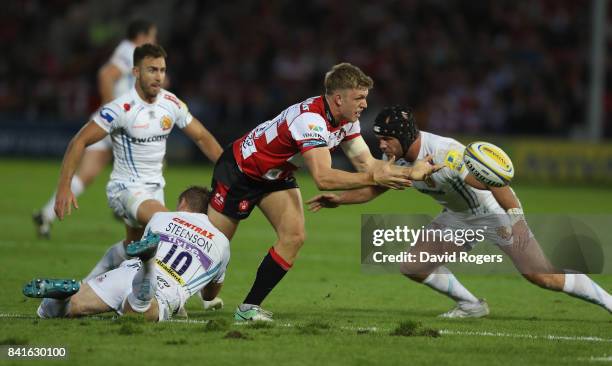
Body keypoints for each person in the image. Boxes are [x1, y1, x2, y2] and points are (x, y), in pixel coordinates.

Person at [307, 105, 612, 317]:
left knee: (543, 276)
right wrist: (339, 199)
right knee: (413, 266)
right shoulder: (399, 160)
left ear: (403, 135)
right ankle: (471, 305)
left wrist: (516, 220)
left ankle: (609, 302)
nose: (382, 146)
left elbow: (497, 184)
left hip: (491, 214)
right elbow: (375, 188)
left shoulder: (447, 154)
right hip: (458, 217)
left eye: (386, 139)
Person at [206, 63, 442, 321]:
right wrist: (375, 176)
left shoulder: (347, 120)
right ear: (338, 98)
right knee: (213, 250)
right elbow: (323, 178)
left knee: (294, 236)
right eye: (359, 98)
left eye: (365, 98)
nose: (364, 104)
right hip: (240, 171)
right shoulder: (310, 120)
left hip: (276, 176)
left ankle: (248, 309)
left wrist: (410, 172)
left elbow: (367, 164)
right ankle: (175, 290)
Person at [53, 44, 223, 285]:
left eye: (162, 70)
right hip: (125, 190)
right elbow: (79, 141)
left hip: (155, 190)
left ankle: (83, 288)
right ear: (135, 72)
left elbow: (202, 136)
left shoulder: (171, 103)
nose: (159, 76)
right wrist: (64, 186)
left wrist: (229, 168)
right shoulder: (120, 108)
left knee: (133, 249)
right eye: (152, 70)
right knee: (173, 225)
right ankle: (193, 290)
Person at [24, 186, 229, 322]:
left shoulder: (161, 218)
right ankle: (148, 268)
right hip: (164, 287)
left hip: (126, 271)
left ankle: (58, 302)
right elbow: (210, 294)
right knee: (136, 313)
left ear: (183, 204)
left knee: (66, 309)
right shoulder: (221, 241)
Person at [33, 19, 158, 239]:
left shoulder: (131, 52)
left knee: (87, 174)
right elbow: (106, 75)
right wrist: (114, 109)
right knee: (148, 170)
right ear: (142, 35)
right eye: (152, 35)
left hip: (113, 121)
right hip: (122, 122)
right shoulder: (130, 50)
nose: (154, 40)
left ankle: (46, 214)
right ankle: (132, 213)